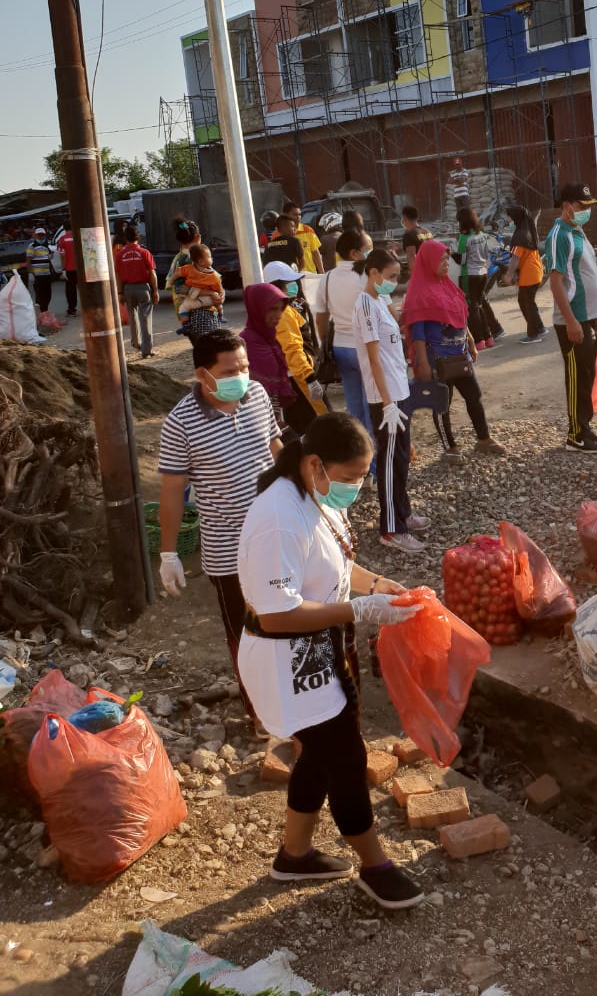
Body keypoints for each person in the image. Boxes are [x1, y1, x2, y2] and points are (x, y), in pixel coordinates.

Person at [237, 412, 425, 907]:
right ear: (315, 464)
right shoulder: (276, 519)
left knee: (320, 752)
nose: (356, 488)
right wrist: (361, 609)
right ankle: (375, 865)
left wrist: (375, 585)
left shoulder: (315, 495)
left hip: (322, 648)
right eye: (349, 478)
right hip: (290, 657)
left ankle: (293, 856)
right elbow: (278, 616)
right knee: (346, 757)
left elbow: (336, 560)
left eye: (363, 477)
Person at [158, 328, 283, 722]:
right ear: (202, 375)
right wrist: (168, 553)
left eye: (244, 367)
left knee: (285, 618)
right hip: (229, 550)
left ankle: (291, 699)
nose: (241, 378)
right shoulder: (180, 424)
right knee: (246, 635)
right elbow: (172, 492)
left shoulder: (259, 396)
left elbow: (275, 446)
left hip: (277, 535)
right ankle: (259, 714)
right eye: (230, 371)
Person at [353, 249, 430, 553]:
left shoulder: (380, 301)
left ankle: (403, 513)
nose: (395, 283)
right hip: (385, 398)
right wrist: (387, 403)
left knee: (400, 458)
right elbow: (373, 359)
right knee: (387, 462)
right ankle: (390, 529)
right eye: (391, 277)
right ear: (373, 273)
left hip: (400, 391)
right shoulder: (365, 305)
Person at [404, 239, 506, 462]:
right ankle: (449, 447)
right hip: (437, 360)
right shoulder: (418, 292)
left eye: (446, 260)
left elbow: (460, 316)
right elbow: (417, 332)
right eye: (441, 260)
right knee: (442, 404)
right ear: (429, 261)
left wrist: (470, 340)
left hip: (460, 356)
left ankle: (483, 438)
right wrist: (422, 362)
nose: (445, 264)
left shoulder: (447, 286)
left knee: (474, 396)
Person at [545, 182, 597, 453]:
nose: (585, 211)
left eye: (588, 206)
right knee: (576, 377)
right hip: (574, 318)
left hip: (589, 317)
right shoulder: (559, 235)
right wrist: (571, 320)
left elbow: (588, 272)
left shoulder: (577, 230)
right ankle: (575, 435)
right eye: (581, 206)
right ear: (567, 205)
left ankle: (586, 427)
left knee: (588, 375)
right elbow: (556, 282)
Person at [316, 229, 375, 445]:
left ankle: (358, 455)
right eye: (369, 249)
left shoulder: (328, 277)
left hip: (341, 349)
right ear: (354, 253)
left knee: (354, 407)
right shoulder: (367, 275)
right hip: (366, 348)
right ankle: (375, 463)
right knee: (372, 407)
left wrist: (325, 345)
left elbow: (321, 319)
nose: (372, 253)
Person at [263, 261, 327, 433]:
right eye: (289, 282)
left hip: (293, 377)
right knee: (321, 425)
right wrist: (310, 379)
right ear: (277, 286)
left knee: (303, 428)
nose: (294, 285)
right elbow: (292, 349)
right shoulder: (281, 312)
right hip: (298, 379)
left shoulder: (281, 307)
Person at [241, 282, 297, 422]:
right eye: (272, 309)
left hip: (273, 415)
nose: (278, 315)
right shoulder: (245, 343)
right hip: (256, 417)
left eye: (280, 309)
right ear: (257, 308)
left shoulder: (270, 338)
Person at [453, 207, 501, 350]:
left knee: (471, 308)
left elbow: (461, 261)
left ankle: (479, 340)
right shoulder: (481, 234)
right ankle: (489, 337)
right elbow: (487, 253)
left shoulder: (463, 238)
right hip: (483, 273)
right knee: (479, 305)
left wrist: (451, 253)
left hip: (469, 275)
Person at [503, 203, 546, 343]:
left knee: (526, 303)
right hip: (535, 271)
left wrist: (509, 275)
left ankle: (533, 334)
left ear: (515, 218)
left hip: (529, 275)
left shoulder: (520, 236)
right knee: (529, 302)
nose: (508, 219)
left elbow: (515, 258)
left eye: (509, 217)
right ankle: (539, 328)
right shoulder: (527, 231)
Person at [116, 226, 159, 359]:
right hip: (143, 288)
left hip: (127, 289)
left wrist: (120, 292)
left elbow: (118, 276)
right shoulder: (144, 252)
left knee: (132, 316)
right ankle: (146, 350)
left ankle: (136, 342)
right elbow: (152, 273)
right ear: (138, 237)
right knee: (145, 318)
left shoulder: (120, 255)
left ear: (125, 238)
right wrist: (155, 291)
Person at [174, 243, 224, 323]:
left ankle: (185, 325)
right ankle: (221, 317)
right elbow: (219, 290)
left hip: (192, 301)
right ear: (201, 261)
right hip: (209, 300)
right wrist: (216, 294)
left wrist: (171, 280)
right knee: (218, 306)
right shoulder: (214, 275)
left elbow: (177, 277)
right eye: (210, 257)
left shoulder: (187, 267)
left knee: (183, 308)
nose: (212, 258)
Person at [278, 200, 324, 274]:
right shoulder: (277, 234)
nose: (298, 217)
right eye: (294, 214)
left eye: (299, 214)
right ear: (285, 215)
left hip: (310, 276)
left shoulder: (308, 230)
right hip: (290, 277)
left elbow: (316, 253)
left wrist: (322, 273)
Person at [25, 227, 54, 313]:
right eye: (39, 235)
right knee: (40, 294)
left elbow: (48, 257)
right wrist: (30, 274)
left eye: (42, 235)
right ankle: (42, 312)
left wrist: (51, 256)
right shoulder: (31, 246)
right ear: (36, 236)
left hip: (47, 274)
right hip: (38, 275)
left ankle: (45, 310)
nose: (41, 237)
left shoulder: (47, 246)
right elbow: (28, 261)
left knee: (48, 294)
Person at [400, 205, 432, 272]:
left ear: (404, 218)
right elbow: (423, 245)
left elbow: (411, 257)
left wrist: (414, 276)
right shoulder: (427, 231)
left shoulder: (408, 235)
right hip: (430, 267)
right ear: (417, 217)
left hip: (420, 271)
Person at [58, 225, 77, 316]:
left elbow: (62, 255)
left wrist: (63, 269)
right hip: (81, 268)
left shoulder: (62, 239)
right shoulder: (78, 236)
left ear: (64, 228)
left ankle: (72, 310)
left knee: (70, 290)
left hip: (69, 269)